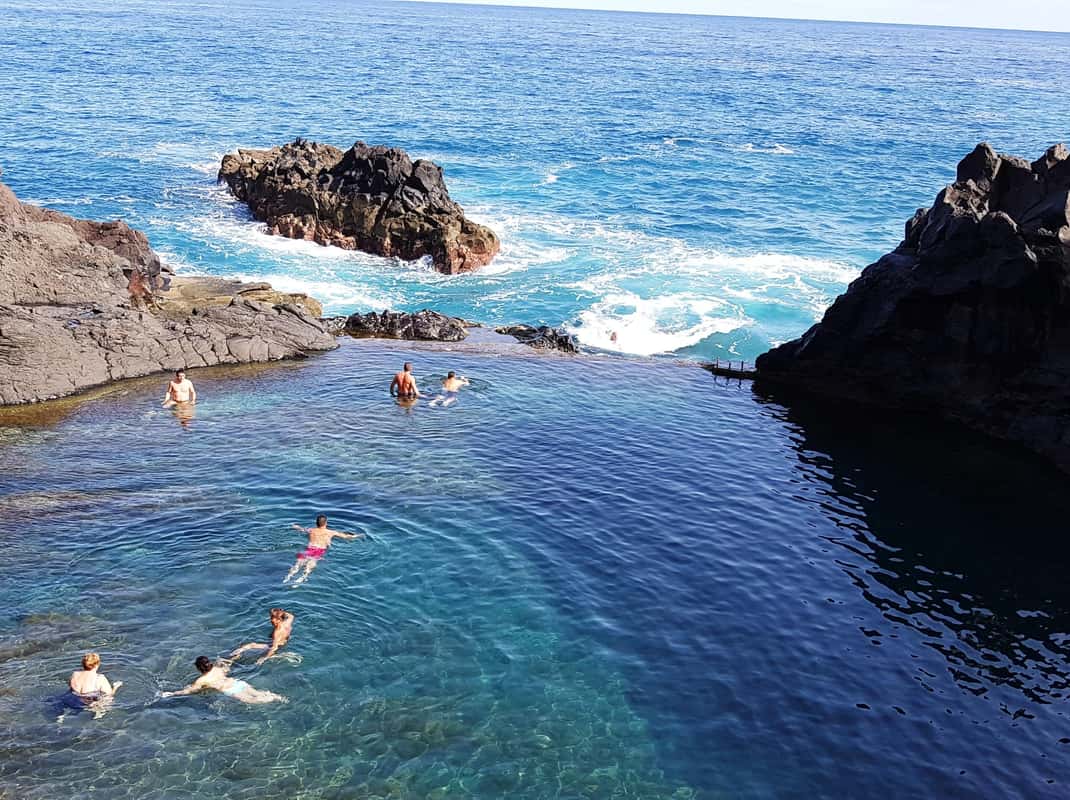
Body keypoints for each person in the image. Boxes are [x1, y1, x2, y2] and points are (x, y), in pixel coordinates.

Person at [161, 656, 285, 704]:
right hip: (237, 682)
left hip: (231, 690)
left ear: (199, 668)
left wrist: (171, 693)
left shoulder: (201, 680)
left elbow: (189, 691)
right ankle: (275, 696)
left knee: (252, 701)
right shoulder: (218, 669)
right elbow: (227, 668)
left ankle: (270, 698)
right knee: (256, 693)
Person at [284, 515, 364, 586]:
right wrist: (357, 535)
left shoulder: (311, 530)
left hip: (309, 549)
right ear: (326, 523)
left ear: (316, 523)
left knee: (297, 564)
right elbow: (346, 537)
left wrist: (296, 526)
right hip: (319, 550)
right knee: (309, 566)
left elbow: (302, 529)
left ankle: (288, 577)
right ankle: (302, 578)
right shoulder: (331, 532)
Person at [231, 608, 295, 665]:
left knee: (250, 645)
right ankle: (235, 656)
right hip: (284, 642)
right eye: (271, 617)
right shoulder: (287, 622)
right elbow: (291, 616)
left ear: (279, 619)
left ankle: (232, 658)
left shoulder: (277, 632)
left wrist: (264, 658)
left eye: (273, 618)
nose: (271, 620)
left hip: (275, 646)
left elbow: (274, 647)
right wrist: (281, 612)